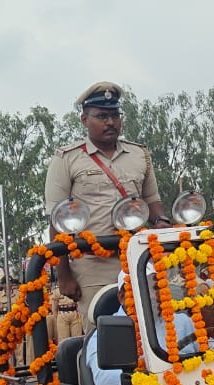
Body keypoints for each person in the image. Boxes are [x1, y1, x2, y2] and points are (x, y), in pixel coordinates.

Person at [45, 82, 164, 328]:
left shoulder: (139, 154)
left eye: (114, 115)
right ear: (84, 120)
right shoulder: (66, 159)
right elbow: (56, 221)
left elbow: (153, 202)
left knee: (152, 326)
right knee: (103, 332)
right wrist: (64, 275)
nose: (110, 122)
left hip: (137, 257)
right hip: (92, 264)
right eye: (101, 116)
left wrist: (163, 223)